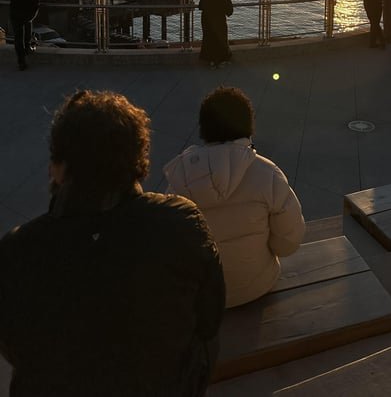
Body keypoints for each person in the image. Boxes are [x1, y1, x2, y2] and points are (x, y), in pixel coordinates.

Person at [0, 90, 225, 397]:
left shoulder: (16, 251)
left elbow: (13, 346)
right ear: (138, 159)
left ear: (61, 169)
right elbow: (210, 318)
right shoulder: (182, 223)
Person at [164, 87, 305, 309]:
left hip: (204, 295)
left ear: (203, 130)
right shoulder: (268, 173)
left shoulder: (179, 178)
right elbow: (289, 241)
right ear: (249, 128)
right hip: (258, 285)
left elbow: (170, 248)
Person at [9, 0, 51, 70]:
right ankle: (27, 47)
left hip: (15, 8)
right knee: (27, 22)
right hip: (29, 10)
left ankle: (21, 61)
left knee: (18, 36)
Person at [197, 0, 236, 67]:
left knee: (208, 38)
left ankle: (209, 59)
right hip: (219, 17)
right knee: (221, 38)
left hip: (206, 17)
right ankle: (221, 58)